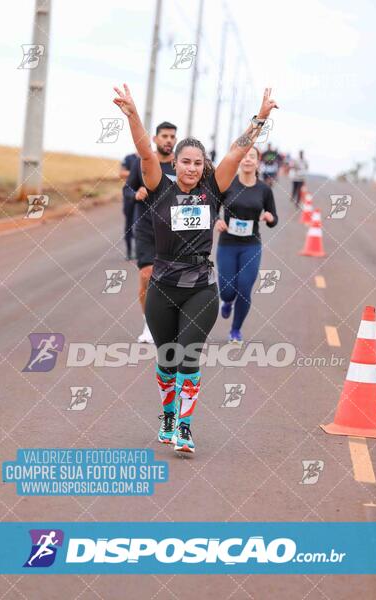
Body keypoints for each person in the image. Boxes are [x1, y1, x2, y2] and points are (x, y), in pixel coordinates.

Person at [113, 84, 278, 453]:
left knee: (187, 355)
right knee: (166, 359)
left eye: (197, 162)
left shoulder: (213, 190)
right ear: (175, 164)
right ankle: (168, 416)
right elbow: (144, 150)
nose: (190, 168)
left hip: (201, 286)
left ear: (205, 167)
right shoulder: (159, 187)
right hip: (162, 286)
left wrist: (261, 117)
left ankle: (184, 428)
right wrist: (133, 116)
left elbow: (237, 152)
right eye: (185, 162)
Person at [215, 146, 278, 343]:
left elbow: (274, 217)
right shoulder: (227, 185)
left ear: (258, 162)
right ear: (239, 160)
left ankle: (235, 330)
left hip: (251, 245)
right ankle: (226, 301)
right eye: (244, 156)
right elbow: (212, 209)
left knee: (244, 288)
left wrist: (269, 217)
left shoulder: (264, 190)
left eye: (252, 157)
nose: (248, 160)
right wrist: (217, 220)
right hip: (227, 244)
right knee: (226, 290)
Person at [124, 122, 177, 343]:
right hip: (146, 227)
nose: (169, 140)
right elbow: (127, 188)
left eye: (172, 137)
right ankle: (149, 324)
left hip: (174, 231)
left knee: (169, 280)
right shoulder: (143, 163)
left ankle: (169, 322)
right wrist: (136, 193)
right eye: (164, 136)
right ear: (155, 139)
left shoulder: (179, 165)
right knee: (147, 276)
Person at [120, 152, 139, 260]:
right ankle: (128, 251)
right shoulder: (128, 158)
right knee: (128, 224)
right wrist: (136, 172)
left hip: (143, 197)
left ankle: (139, 250)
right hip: (129, 195)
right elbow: (121, 173)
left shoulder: (150, 157)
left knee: (139, 223)